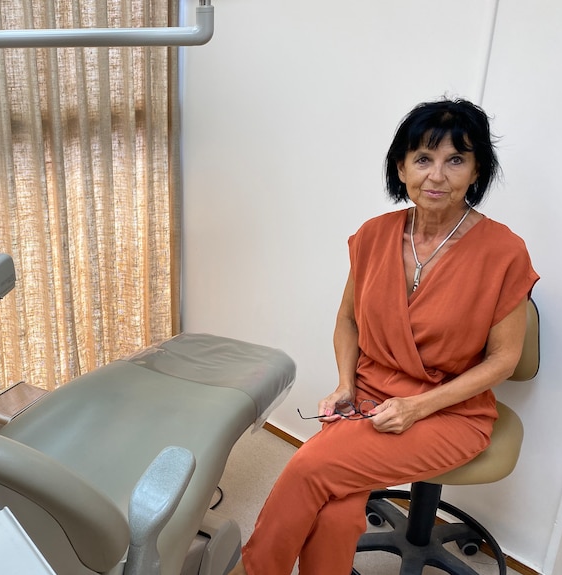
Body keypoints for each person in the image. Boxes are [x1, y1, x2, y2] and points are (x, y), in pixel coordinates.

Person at [227, 98, 538, 575]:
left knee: (308, 469)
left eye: (456, 159)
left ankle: (254, 569)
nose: (437, 175)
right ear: (402, 166)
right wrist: (345, 386)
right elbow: (347, 320)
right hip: (371, 394)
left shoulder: (504, 251)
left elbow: (502, 360)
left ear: (477, 171)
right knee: (334, 511)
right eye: (423, 159)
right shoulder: (373, 235)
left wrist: (417, 407)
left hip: (451, 410)